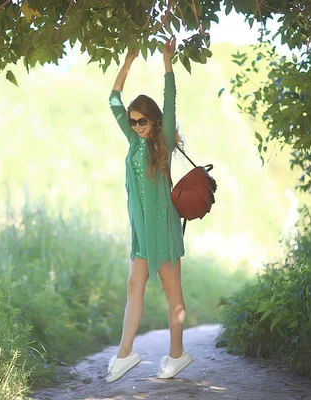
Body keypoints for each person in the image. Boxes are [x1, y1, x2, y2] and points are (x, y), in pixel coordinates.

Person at [106, 37, 193, 383]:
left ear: (154, 121)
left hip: (163, 228)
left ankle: (177, 355)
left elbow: (170, 99)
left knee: (173, 292)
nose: (136, 126)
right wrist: (127, 62)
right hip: (140, 229)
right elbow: (113, 100)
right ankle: (125, 354)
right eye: (132, 122)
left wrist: (167, 63)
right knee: (134, 284)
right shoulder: (131, 140)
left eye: (141, 121)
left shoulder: (164, 139)